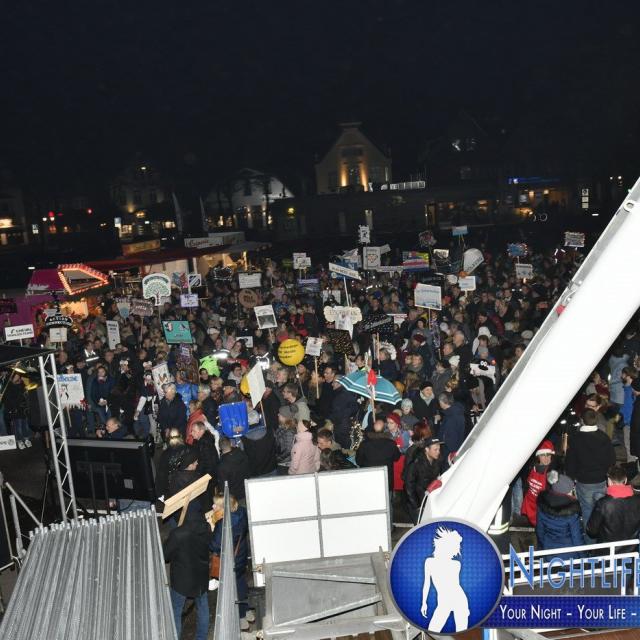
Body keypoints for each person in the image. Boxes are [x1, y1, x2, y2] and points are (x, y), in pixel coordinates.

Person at [565, 409, 616, 542]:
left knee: (588, 513)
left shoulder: (576, 439)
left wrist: (572, 477)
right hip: (601, 481)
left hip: (584, 483)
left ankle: (590, 545)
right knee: (603, 513)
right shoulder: (604, 437)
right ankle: (604, 542)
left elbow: (570, 463)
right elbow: (612, 460)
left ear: (582, 421)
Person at [163, 506, 210, 640]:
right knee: (203, 608)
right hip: (201, 577)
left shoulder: (178, 533)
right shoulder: (206, 527)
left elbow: (165, 555)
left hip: (181, 581)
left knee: (176, 611)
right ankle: (201, 637)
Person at [210, 493, 252, 630]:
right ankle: (248, 611)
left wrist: (213, 527)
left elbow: (215, 545)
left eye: (216, 505)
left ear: (224, 508)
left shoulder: (223, 524)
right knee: (241, 583)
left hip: (231, 560)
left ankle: (241, 618)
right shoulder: (242, 512)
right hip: (241, 555)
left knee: (235, 589)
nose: (213, 506)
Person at [420, 526, 469, 633]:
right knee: (432, 631)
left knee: (461, 632)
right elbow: (426, 584)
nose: (456, 551)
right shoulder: (429, 562)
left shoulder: (456, 564)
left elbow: (455, 586)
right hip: (444, 602)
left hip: (458, 600)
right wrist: (424, 602)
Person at [586, 464, 640, 546]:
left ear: (609, 481)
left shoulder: (603, 504)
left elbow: (591, 531)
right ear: (625, 480)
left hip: (608, 551)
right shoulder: (637, 501)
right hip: (631, 550)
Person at [536, 471, 584, 554]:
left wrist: (543, 549)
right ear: (566, 492)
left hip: (549, 550)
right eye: (571, 489)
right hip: (568, 553)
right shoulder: (572, 512)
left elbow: (540, 530)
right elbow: (577, 539)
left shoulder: (543, 505)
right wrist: (584, 557)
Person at [356, 418, 401, 491]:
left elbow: (358, 461)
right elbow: (396, 458)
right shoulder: (391, 444)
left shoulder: (364, 444)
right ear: (384, 429)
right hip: (386, 480)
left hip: (369, 480)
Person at [405, 437, 442, 524]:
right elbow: (409, 486)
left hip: (429, 500)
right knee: (420, 526)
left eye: (439, 449)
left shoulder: (437, 460)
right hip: (417, 502)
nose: (438, 452)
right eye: (435, 449)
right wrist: (416, 506)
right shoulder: (416, 463)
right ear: (427, 449)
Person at [521, 439, 555, 526]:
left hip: (543, 509)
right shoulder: (531, 468)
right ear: (538, 456)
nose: (546, 458)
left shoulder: (553, 472)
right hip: (531, 506)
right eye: (543, 455)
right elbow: (526, 486)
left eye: (548, 455)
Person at [191, 421, 219, 503]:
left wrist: (199, 477)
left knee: (207, 502)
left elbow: (209, 465)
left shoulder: (205, 445)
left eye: (194, 431)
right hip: (206, 476)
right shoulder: (200, 442)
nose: (192, 433)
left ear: (201, 431)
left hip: (208, 479)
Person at [217, 437, 250, 502]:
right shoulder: (242, 454)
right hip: (246, 490)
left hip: (234, 498)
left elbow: (223, 487)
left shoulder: (222, 466)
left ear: (220, 448)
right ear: (231, 444)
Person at [436, 392, 465, 468]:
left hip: (450, 453)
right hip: (458, 447)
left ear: (442, 402)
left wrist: (449, 454)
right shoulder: (456, 411)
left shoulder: (451, 417)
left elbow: (450, 438)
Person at [4, 373, 31, 449]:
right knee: (18, 426)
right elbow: (9, 400)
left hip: (23, 410)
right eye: (16, 377)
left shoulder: (22, 385)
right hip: (15, 410)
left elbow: (26, 396)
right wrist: (13, 409)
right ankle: (19, 440)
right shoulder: (9, 387)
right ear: (11, 378)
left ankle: (26, 438)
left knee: (25, 425)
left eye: (18, 377)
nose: (18, 378)